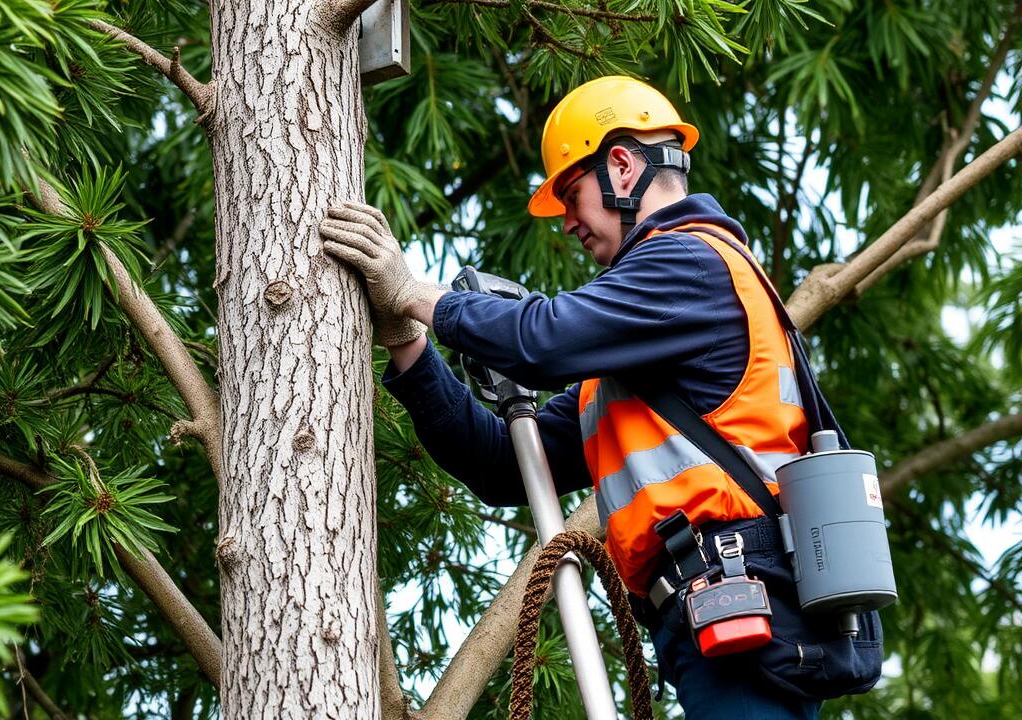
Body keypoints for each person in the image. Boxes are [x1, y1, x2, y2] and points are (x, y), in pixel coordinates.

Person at [318, 76, 881, 719]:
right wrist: (409, 346)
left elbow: (543, 338)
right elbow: (503, 466)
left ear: (620, 165)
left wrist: (415, 293)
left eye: (571, 193)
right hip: (709, 618)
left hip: (740, 602)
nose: (566, 222)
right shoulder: (628, 370)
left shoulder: (688, 262)